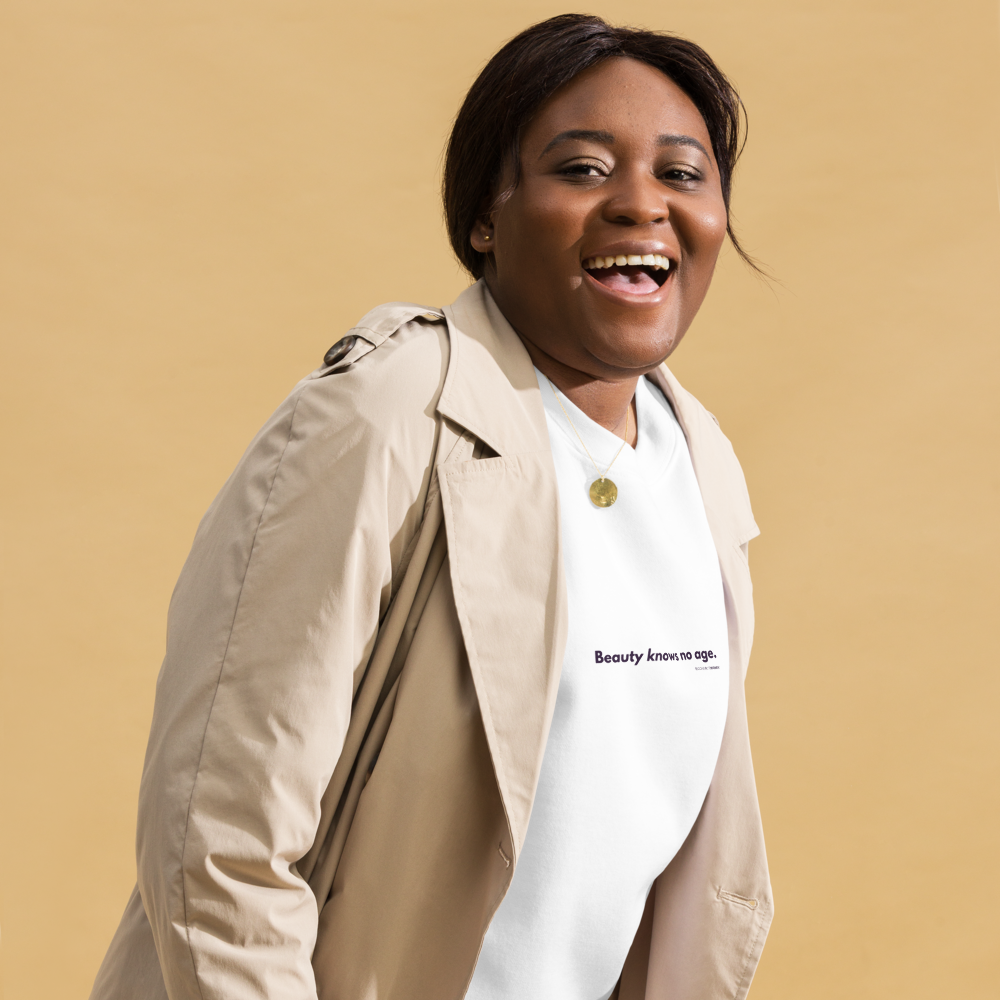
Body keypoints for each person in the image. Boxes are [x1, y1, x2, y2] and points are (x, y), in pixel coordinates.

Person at [91, 13, 772, 1000]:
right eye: (582, 169)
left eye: (682, 173)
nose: (640, 204)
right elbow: (220, 838)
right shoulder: (388, 412)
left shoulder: (699, 461)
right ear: (484, 216)